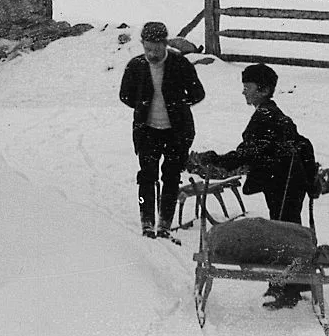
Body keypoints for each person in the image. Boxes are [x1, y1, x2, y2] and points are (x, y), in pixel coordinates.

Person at [190, 61, 318, 307]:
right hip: (288, 181)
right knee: (289, 228)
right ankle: (293, 281)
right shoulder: (273, 114)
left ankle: (287, 289)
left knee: (283, 232)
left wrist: (218, 160)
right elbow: (302, 144)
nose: (244, 91)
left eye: (247, 86)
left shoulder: (266, 117)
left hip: (284, 182)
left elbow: (249, 152)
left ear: (262, 89)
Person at [117, 20, 205, 238]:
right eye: (147, 48)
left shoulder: (180, 64)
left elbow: (198, 94)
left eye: (156, 48)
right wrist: (144, 105)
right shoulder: (135, 66)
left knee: (172, 176)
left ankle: (165, 223)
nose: (152, 53)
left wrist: (177, 105)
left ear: (166, 44)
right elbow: (125, 96)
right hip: (147, 131)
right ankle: (146, 221)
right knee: (146, 176)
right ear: (142, 44)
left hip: (177, 131)